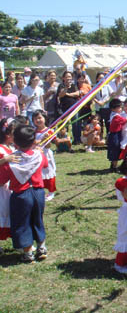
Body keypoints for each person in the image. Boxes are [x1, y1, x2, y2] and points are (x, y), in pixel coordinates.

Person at [0, 125, 48, 262]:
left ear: (15, 142)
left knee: (22, 223)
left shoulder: (10, 160)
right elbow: (45, 165)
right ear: (33, 141)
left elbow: (2, 180)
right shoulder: (39, 155)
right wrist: (39, 151)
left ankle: (27, 253)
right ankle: (41, 247)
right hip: (38, 192)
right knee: (38, 219)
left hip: (21, 195)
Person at [0, 118, 20, 251]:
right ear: (8, 135)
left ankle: (18, 242)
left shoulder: (12, 147)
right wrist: (4, 159)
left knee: (10, 212)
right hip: (1, 188)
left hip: (9, 187)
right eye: (15, 133)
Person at [33, 110, 57, 202]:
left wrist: (46, 139)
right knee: (38, 173)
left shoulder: (49, 131)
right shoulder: (33, 131)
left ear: (44, 118)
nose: (38, 120)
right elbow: (32, 142)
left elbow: (48, 145)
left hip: (46, 154)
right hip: (36, 155)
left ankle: (51, 192)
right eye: (35, 119)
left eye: (40, 118)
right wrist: (41, 140)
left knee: (48, 172)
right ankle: (40, 189)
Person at [57, 71, 82, 144]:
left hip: (74, 107)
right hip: (64, 108)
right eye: (67, 77)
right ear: (63, 78)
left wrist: (68, 94)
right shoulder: (61, 85)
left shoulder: (74, 85)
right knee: (65, 125)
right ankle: (64, 139)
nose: (68, 78)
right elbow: (61, 95)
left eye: (70, 77)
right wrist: (66, 88)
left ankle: (77, 139)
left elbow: (77, 93)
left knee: (76, 124)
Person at [108, 99, 127, 172]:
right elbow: (126, 120)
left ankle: (113, 165)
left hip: (115, 134)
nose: (121, 109)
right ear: (113, 109)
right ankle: (114, 167)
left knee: (115, 150)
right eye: (119, 107)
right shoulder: (116, 117)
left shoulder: (114, 114)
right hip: (115, 135)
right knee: (115, 150)